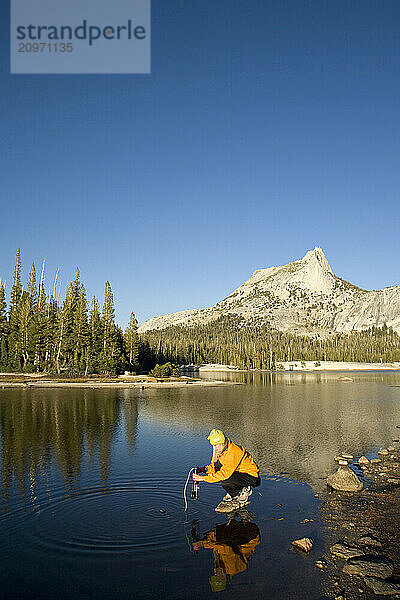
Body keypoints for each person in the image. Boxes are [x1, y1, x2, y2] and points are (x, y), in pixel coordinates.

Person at [193, 429, 260, 512]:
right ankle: (234, 492)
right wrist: (204, 469)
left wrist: (203, 478)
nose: (214, 448)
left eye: (216, 445)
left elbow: (224, 474)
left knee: (225, 481)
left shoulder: (233, 451)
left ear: (222, 442)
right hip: (237, 472)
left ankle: (244, 491)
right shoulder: (220, 449)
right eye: (213, 445)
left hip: (251, 475)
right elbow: (214, 467)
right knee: (218, 470)